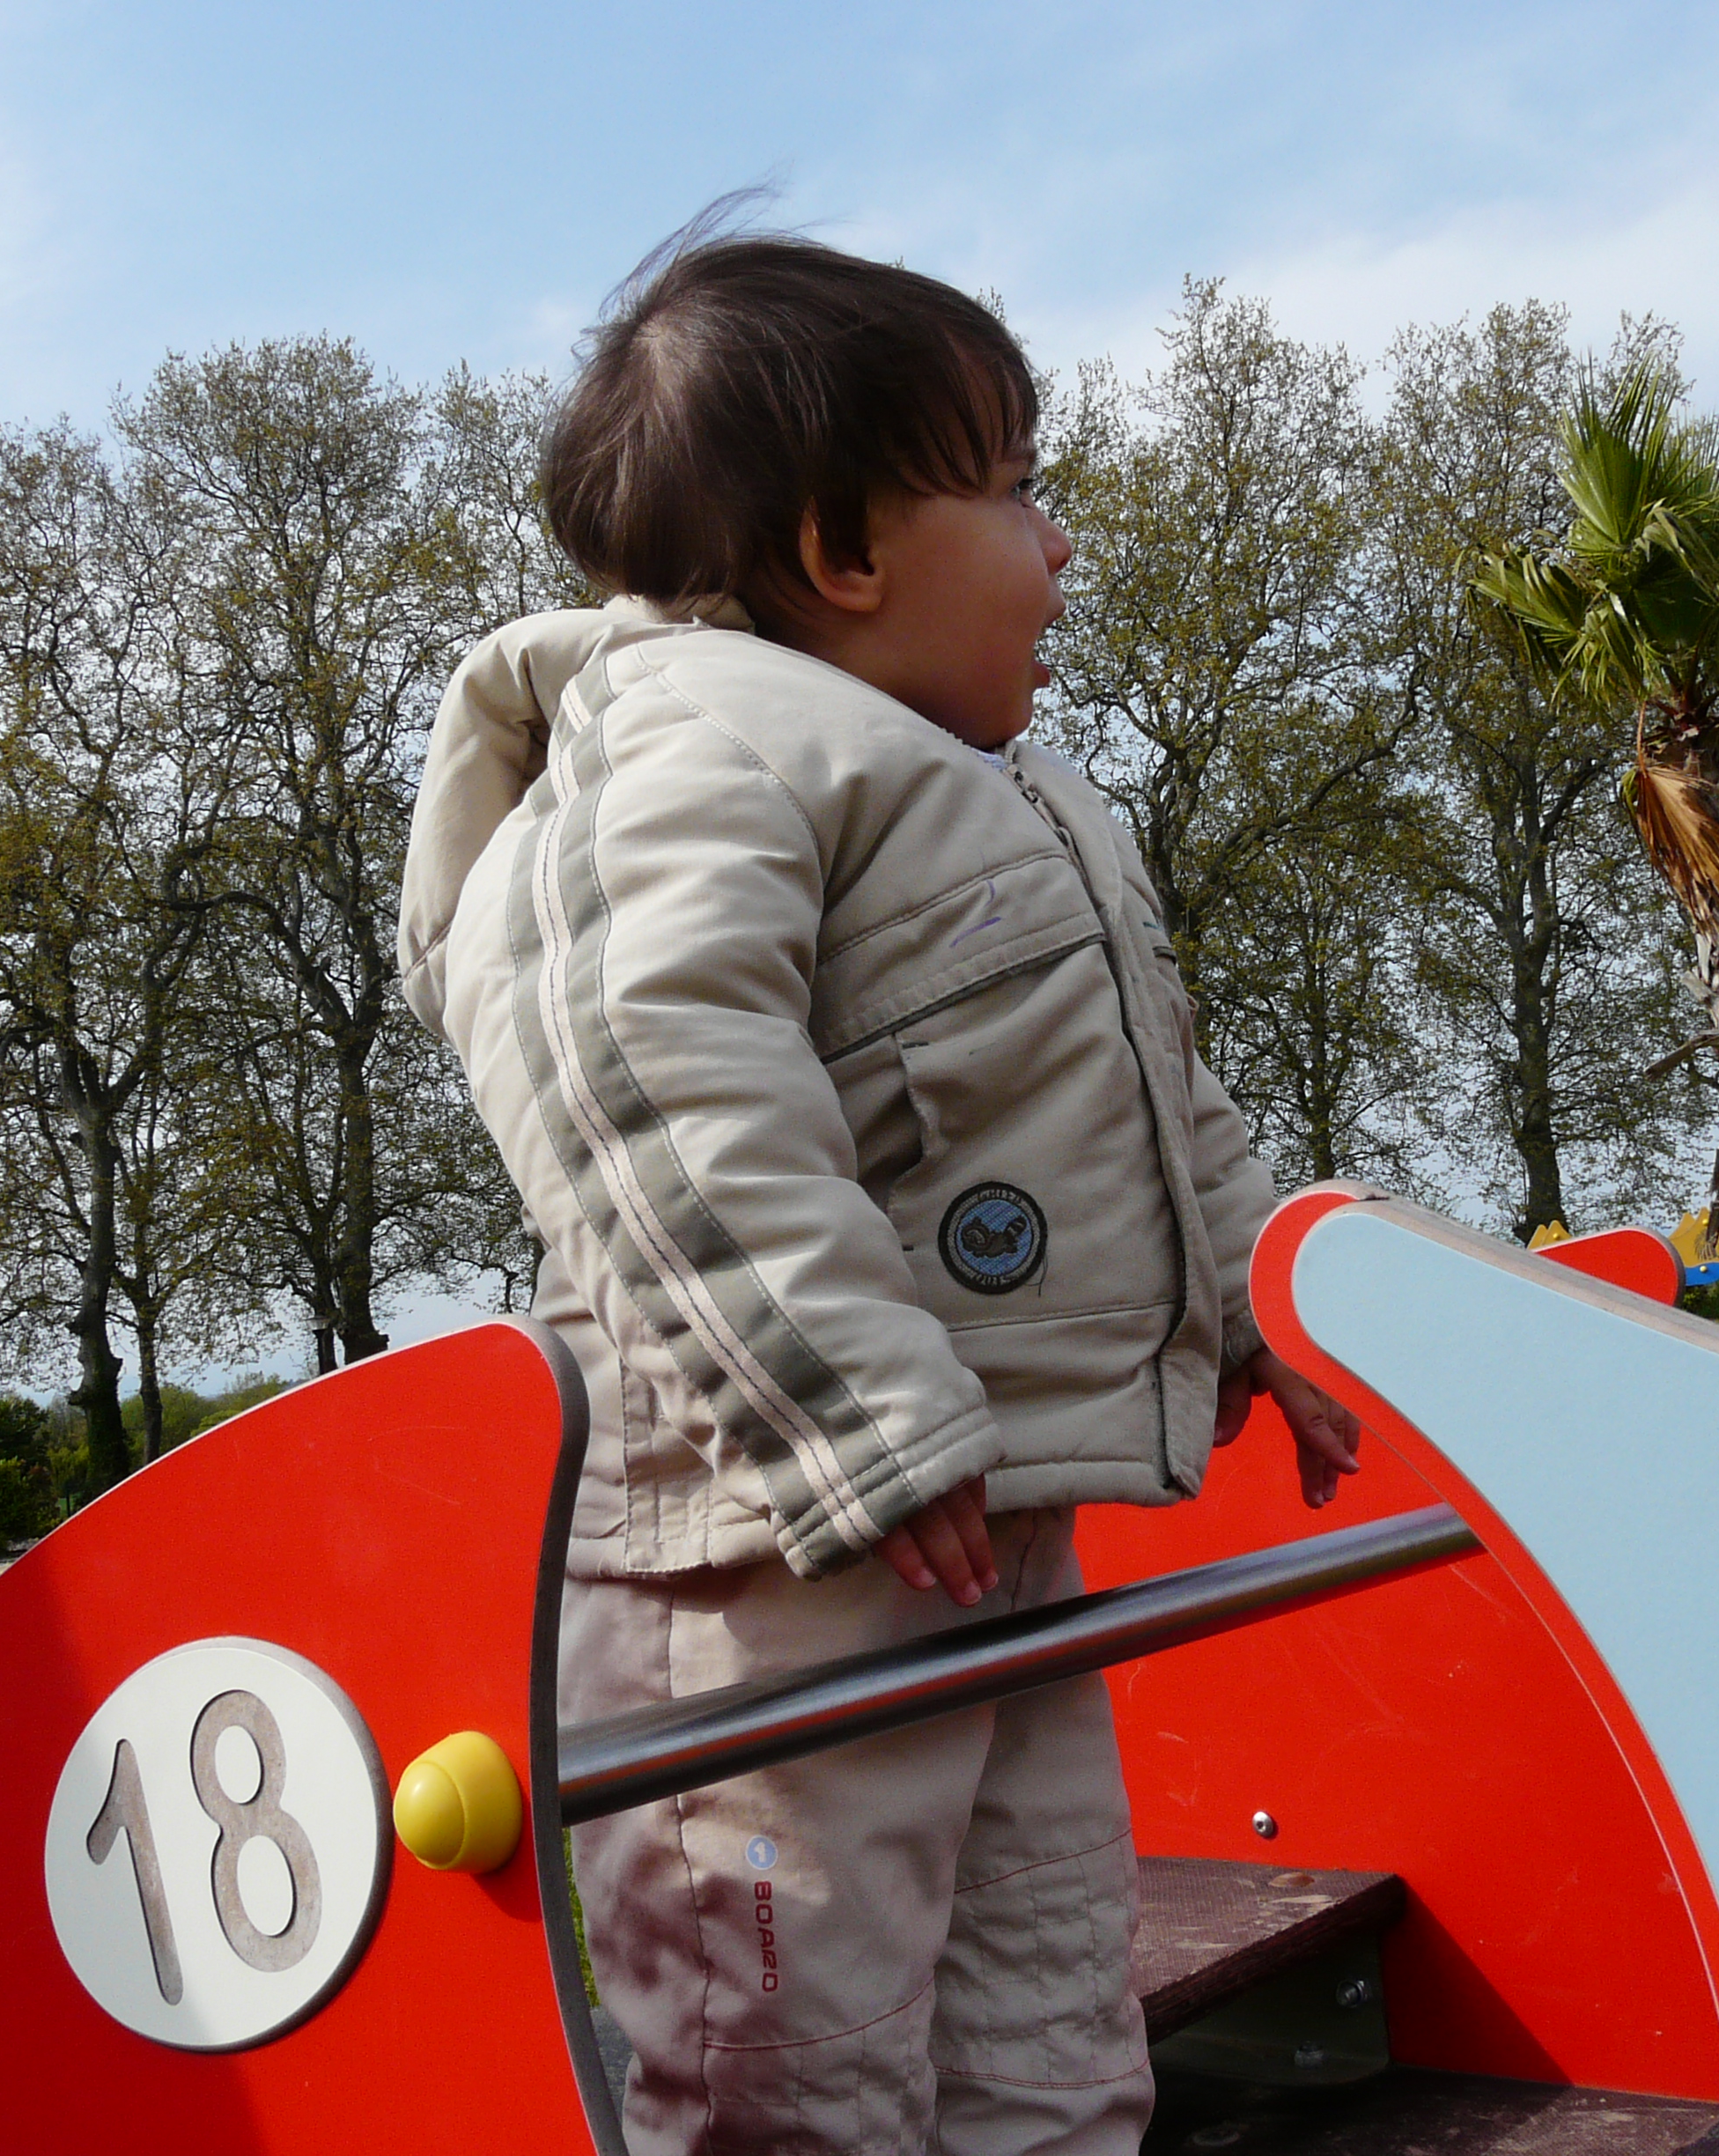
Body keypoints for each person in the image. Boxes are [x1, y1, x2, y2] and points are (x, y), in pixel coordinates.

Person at [399, 222, 1361, 2156]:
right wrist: (847, 1411)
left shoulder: (1011, 796)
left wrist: (1254, 1307)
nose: (1059, 543)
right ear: (843, 551)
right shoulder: (686, 746)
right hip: (762, 1547)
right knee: (793, 2058)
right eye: (1011, 489)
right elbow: (647, 1087)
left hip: (987, 1515)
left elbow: (1151, 1096)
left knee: (1051, 2006)